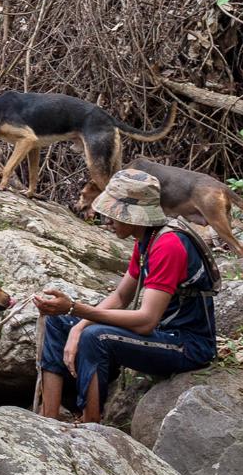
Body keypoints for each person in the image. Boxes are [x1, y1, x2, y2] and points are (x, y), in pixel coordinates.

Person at [32, 168, 218, 424]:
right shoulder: (147, 240)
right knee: (58, 321)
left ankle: (90, 423)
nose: (107, 220)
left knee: (96, 337)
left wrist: (75, 309)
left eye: (115, 214)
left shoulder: (168, 245)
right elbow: (121, 296)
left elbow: (146, 321)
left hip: (187, 344)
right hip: (162, 333)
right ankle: (48, 418)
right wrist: (76, 324)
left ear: (137, 216)